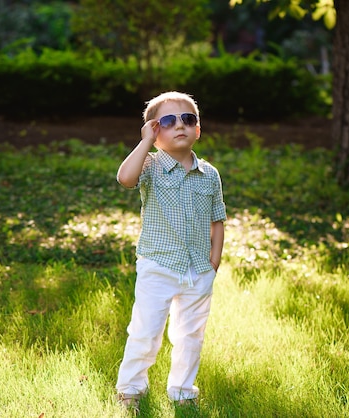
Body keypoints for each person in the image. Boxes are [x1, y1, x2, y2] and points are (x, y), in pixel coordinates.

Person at [115, 91, 226, 414]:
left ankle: (182, 390)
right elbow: (125, 179)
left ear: (198, 129)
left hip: (198, 270)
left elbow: (217, 220)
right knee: (145, 331)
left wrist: (214, 261)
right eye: (168, 121)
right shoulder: (149, 165)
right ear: (155, 130)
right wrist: (145, 143)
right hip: (158, 265)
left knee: (190, 335)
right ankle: (131, 388)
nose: (180, 125)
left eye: (188, 119)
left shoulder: (209, 174)